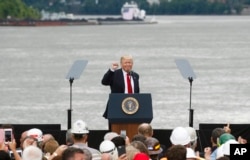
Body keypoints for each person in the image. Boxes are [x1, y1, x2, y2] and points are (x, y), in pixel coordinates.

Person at [101, 55, 140, 119]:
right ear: (121, 64)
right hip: (117, 106)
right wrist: (111, 70)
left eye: (129, 62)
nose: (128, 64)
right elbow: (104, 82)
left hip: (132, 108)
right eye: (125, 63)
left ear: (132, 64)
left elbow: (137, 92)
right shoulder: (114, 74)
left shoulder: (135, 76)